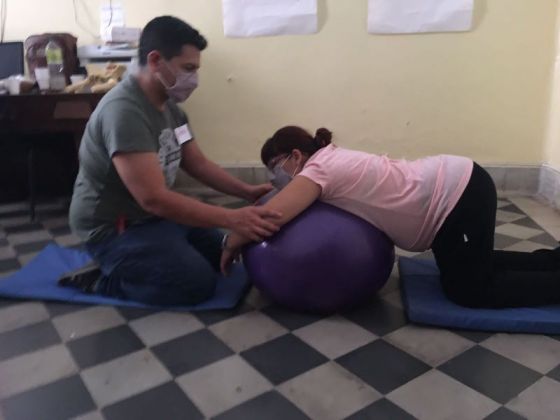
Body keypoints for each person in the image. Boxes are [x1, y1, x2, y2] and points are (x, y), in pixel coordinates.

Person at [62, 16, 281, 305]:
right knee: (195, 284)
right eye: (188, 68)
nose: (195, 79)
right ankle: (105, 280)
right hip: (114, 228)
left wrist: (247, 192)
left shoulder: (170, 107)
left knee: (224, 254)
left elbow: (197, 164)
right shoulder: (124, 112)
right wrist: (233, 217)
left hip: (152, 219)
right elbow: (153, 199)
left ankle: (143, 260)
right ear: (155, 61)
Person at [221, 125, 560, 308]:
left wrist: (233, 238)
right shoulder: (330, 160)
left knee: (470, 290)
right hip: (456, 190)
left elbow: (274, 215)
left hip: (456, 195)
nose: (276, 178)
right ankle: (552, 262)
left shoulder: (319, 169)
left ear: (296, 156)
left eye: (276, 167)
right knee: (472, 266)